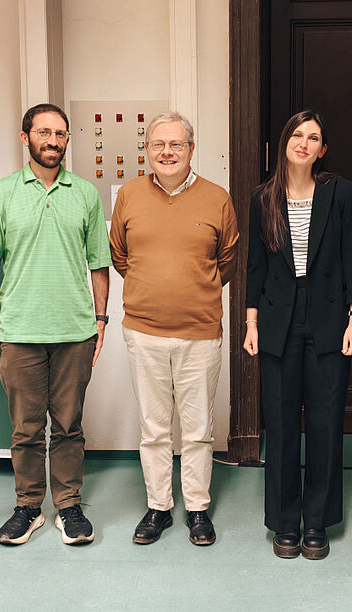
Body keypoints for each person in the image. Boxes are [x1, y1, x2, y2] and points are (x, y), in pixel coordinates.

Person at [0, 103, 111, 547]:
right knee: (26, 429)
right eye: (44, 132)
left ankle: (69, 506)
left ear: (68, 139)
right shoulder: (1, 194)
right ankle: (28, 507)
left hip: (75, 332)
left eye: (60, 134)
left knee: (69, 426)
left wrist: (100, 320)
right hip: (18, 333)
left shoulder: (86, 194)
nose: (53, 141)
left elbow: (99, 264)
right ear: (25, 137)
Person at [109, 111, 239, 546]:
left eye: (176, 144)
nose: (167, 152)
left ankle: (197, 509)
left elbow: (227, 261)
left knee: (198, 430)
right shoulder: (129, 195)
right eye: (158, 145)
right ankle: (159, 507)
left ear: (191, 149)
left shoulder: (217, 198)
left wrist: (191, 289)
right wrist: (154, 289)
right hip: (144, 331)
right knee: (154, 429)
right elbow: (120, 255)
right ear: (147, 149)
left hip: (200, 333)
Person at [243, 110, 352, 560]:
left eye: (313, 138)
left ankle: (316, 520)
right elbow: (255, 266)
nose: (304, 143)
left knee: (324, 421)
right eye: (297, 135)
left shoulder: (340, 193)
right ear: (285, 143)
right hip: (277, 319)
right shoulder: (263, 198)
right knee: (279, 423)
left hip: (330, 317)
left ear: (322, 150)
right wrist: (251, 324)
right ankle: (284, 521)